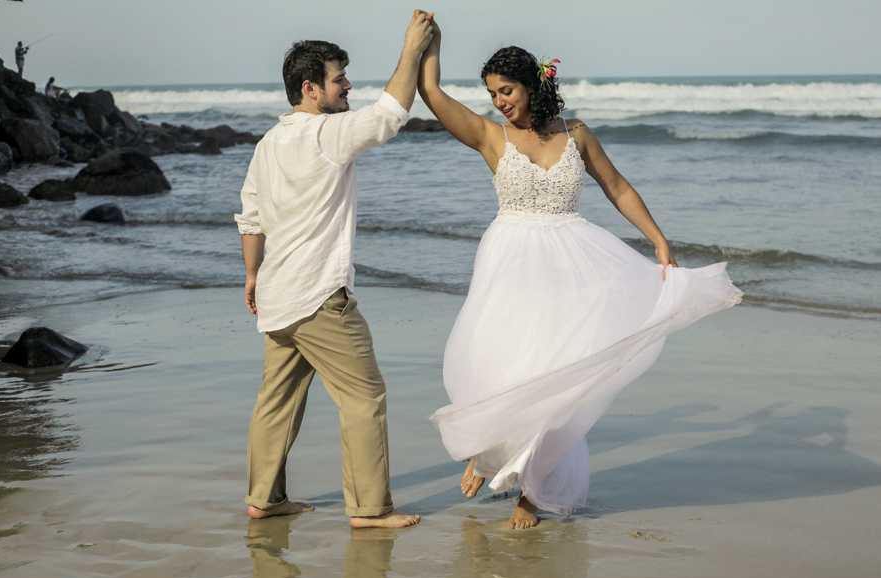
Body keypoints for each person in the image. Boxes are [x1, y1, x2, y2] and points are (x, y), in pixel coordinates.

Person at [420, 20, 742, 528]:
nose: (499, 100)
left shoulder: (577, 134)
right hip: (510, 265)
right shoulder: (489, 135)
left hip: (571, 262)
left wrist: (658, 240)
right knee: (504, 363)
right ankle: (484, 452)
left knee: (559, 377)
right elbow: (430, 92)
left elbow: (617, 188)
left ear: (533, 84)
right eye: (492, 93)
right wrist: (431, 46)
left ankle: (533, 489)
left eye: (507, 90)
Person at [234, 10, 434, 529]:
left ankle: (264, 499)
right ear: (310, 89)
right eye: (339, 78)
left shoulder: (267, 144)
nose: (347, 87)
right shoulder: (324, 134)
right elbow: (390, 112)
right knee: (364, 396)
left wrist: (252, 276)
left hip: (278, 295)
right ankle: (370, 509)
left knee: (275, 403)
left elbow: (250, 217)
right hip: (320, 296)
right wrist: (412, 48)